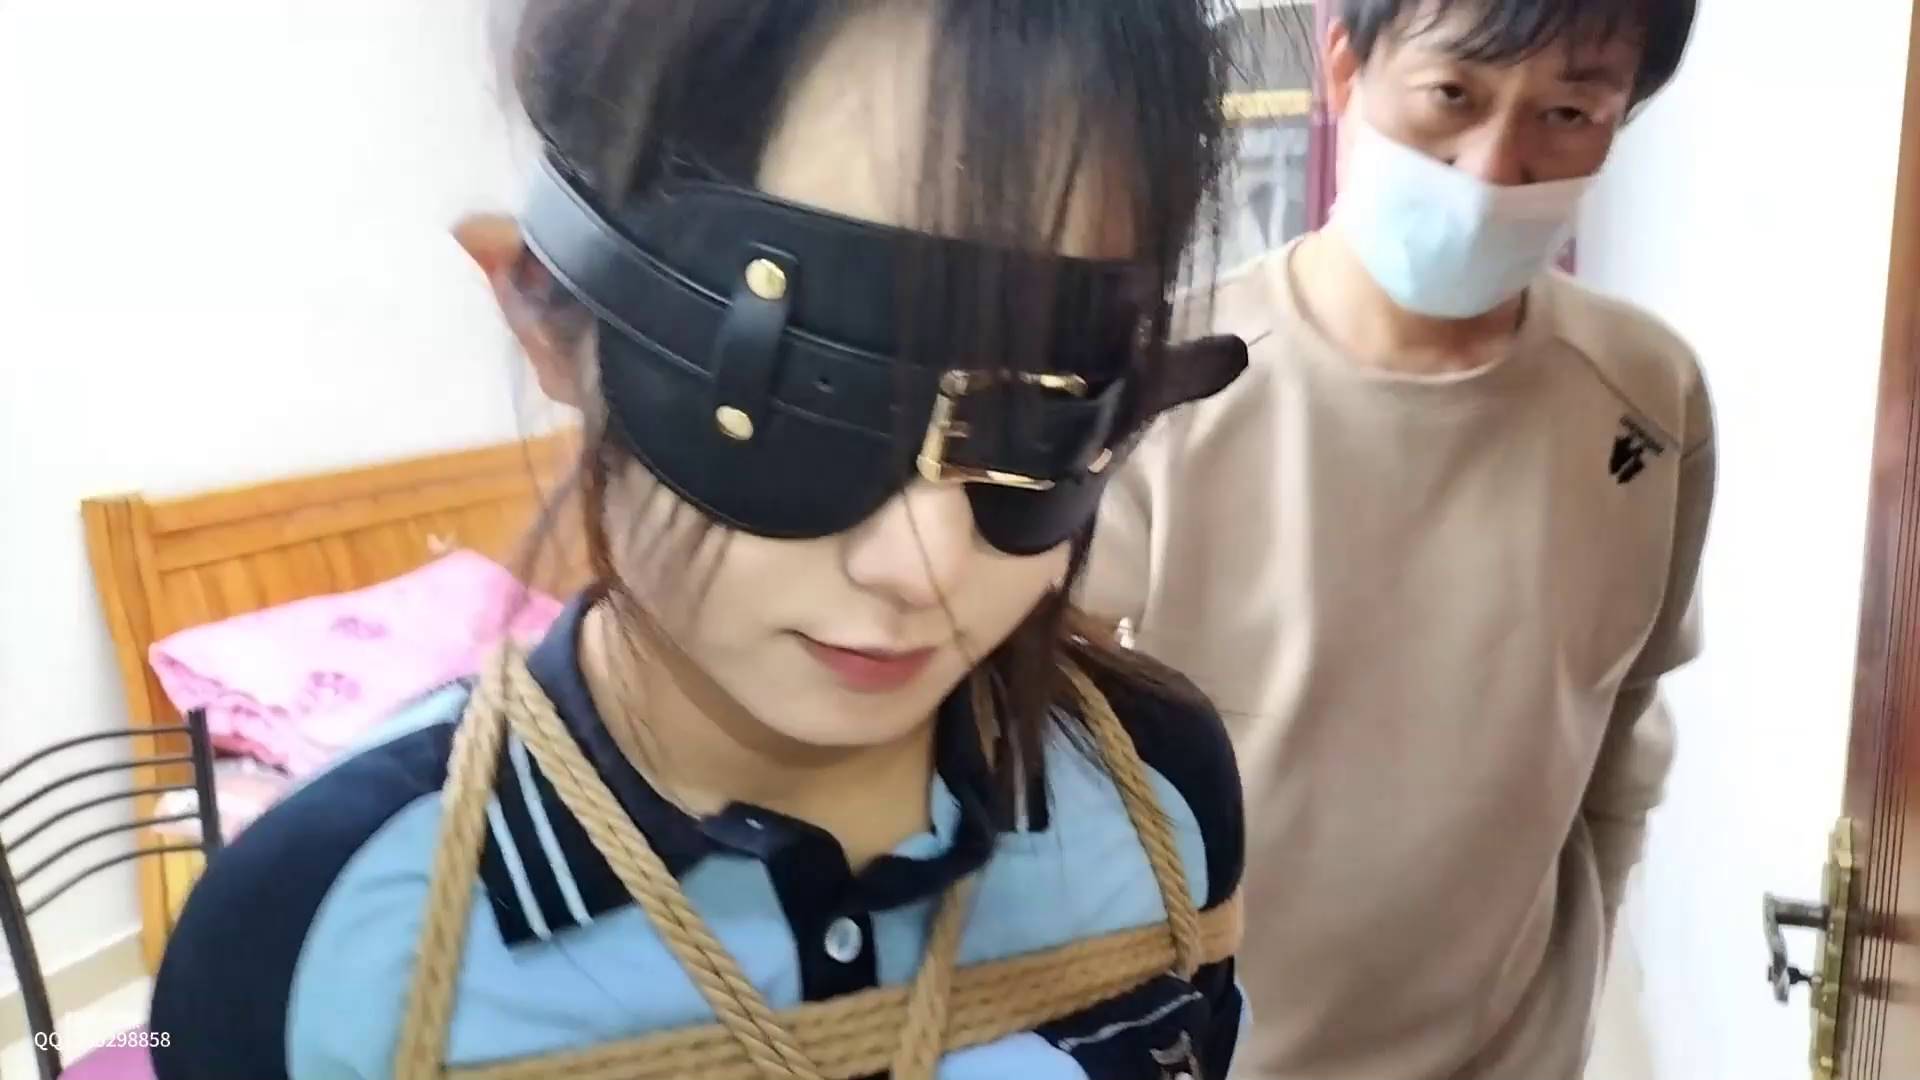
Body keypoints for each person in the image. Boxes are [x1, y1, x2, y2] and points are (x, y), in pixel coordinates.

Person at [147, 3, 1256, 1078]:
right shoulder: (303, 945)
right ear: (548, 310)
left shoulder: (1159, 797)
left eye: (1039, 424)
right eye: (797, 397)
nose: (919, 567)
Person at [1079, 1, 1711, 1078]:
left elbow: (1622, 731)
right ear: (1346, 68)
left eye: (1568, 113)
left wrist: (1579, 980)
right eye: (1453, 95)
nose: (1493, 167)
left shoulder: (1649, 395)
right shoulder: (1176, 386)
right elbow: (1055, 768)